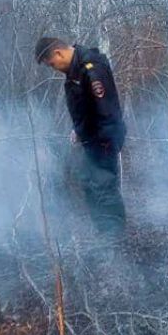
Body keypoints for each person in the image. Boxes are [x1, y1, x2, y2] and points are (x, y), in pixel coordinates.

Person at [35, 37, 127, 240]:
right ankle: (104, 232)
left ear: (59, 53)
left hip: (104, 138)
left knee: (103, 186)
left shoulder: (90, 68)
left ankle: (115, 237)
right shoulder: (75, 71)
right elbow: (86, 107)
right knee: (89, 183)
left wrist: (104, 141)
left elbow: (105, 109)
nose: (53, 68)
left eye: (52, 64)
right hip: (92, 138)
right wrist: (79, 130)